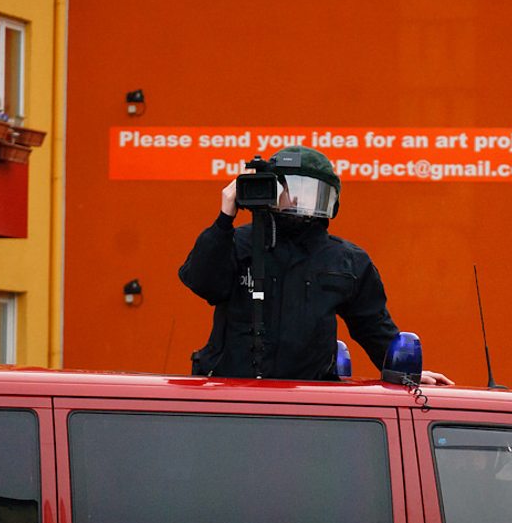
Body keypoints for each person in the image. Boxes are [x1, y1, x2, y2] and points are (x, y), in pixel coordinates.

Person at [179, 145, 453, 384]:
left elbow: (371, 325)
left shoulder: (346, 260)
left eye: (312, 193)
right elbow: (203, 284)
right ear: (269, 189)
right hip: (231, 394)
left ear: (329, 200)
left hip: (311, 403)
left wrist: (403, 372)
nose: (299, 201)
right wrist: (225, 216)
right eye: (291, 191)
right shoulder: (236, 242)